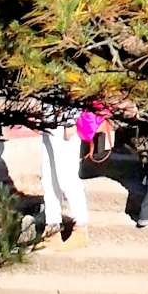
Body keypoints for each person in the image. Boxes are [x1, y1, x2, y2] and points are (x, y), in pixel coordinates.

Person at [36, 102, 94, 244]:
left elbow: (75, 91)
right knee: (49, 178)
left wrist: (71, 120)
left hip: (64, 122)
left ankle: (80, 227)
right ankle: (52, 226)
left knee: (67, 178)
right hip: (49, 120)